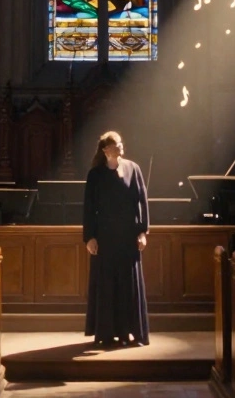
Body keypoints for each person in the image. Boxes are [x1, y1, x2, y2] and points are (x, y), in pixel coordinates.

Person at [83, 131, 150, 347]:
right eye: (116, 145)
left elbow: (141, 202)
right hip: (105, 238)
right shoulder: (95, 174)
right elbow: (89, 208)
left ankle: (130, 333)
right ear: (105, 150)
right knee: (108, 285)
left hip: (128, 237)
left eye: (121, 143)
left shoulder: (133, 169)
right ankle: (106, 334)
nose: (121, 147)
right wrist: (90, 237)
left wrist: (142, 232)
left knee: (128, 285)